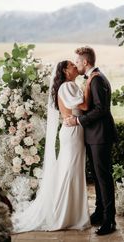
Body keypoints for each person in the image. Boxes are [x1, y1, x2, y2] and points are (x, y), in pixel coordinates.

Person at [12, 60, 96, 232]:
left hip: (73, 131)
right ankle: (63, 215)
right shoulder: (67, 86)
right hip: (72, 133)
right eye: (72, 65)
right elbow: (85, 105)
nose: (75, 66)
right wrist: (88, 84)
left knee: (71, 171)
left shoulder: (69, 85)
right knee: (70, 172)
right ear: (66, 70)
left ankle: (71, 214)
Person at [65, 46, 118, 236]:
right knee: (97, 176)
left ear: (85, 62)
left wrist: (78, 120)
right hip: (93, 135)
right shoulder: (93, 78)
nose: (76, 64)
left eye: (77, 61)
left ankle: (110, 220)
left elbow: (100, 109)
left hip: (100, 135)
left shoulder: (97, 80)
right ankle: (99, 212)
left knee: (103, 177)